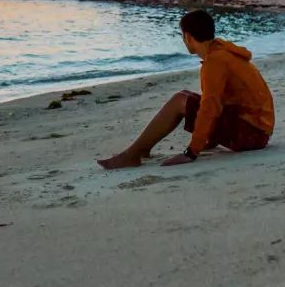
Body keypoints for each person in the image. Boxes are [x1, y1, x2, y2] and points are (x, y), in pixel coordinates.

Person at [97, 9, 274, 169]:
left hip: (252, 136)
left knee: (179, 101)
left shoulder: (215, 61)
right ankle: (143, 149)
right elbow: (225, 100)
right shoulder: (221, 52)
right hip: (257, 130)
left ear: (188, 37)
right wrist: (210, 140)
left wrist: (192, 152)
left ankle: (132, 155)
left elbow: (210, 107)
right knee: (184, 96)